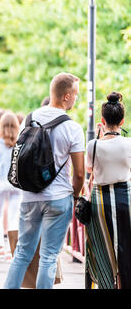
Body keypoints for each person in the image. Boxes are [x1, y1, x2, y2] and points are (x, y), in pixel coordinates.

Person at [4, 72, 85, 289]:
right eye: (76, 94)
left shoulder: (28, 120)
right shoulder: (73, 128)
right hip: (58, 198)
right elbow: (79, 174)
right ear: (66, 96)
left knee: (22, 253)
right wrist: (75, 197)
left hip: (29, 197)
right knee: (48, 256)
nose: (76, 99)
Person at [85, 92, 131, 289]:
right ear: (122, 121)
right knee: (126, 249)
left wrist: (98, 137)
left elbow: (89, 169)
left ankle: (105, 284)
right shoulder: (128, 144)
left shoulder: (92, 145)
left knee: (101, 249)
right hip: (124, 200)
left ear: (102, 120)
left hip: (100, 202)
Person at [0, 110, 22, 261]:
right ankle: (12, 249)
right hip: (16, 183)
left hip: (0, 182)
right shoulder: (20, 144)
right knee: (13, 216)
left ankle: (0, 248)